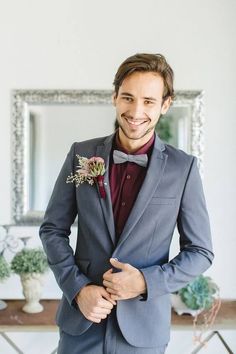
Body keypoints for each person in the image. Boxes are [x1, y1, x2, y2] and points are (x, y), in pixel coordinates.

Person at [39, 53, 214, 354]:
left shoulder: (183, 169)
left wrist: (146, 282)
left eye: (148, 101)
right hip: (82, 325)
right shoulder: (81, 154)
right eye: (128, 98)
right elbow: (52, 229)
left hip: (143, 334)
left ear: (166, 104)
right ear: (115, 97)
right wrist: (78, 289)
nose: (135, 111)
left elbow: (200, 252)